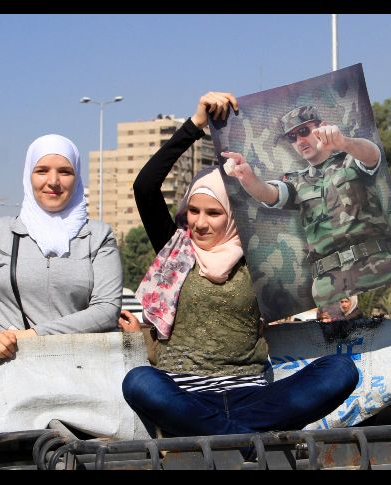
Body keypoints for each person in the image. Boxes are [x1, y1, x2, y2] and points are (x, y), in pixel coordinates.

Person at [118, 92, 359, 440]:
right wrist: (196, 124)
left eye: (213, 213)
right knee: (139, 382)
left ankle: (226, 438)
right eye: (193, 211)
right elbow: (144, 187)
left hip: (254, 399)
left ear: (232, 215)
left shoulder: (260, 257)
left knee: (341, 370)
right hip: (186, 399)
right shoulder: (175, 251)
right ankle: (246, 442)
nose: (199, 223)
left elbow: (308, 212)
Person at [0, 134, 123, 360]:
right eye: (42, 171)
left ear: (77, 177)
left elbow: (107, 310)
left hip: (84, 367)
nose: (53, 181)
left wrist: (34, 335)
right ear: (28, 175)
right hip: (12, 369)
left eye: (65, 172)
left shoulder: (98, 236)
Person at [222, 105, 391, 317]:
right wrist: (247, 177)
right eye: (292, 137)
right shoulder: (297, 181)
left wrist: (344, 142)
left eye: (303, 131)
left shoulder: (351, 159)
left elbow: (372, 154)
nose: (299, 141)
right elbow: (269, 193)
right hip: (328, 286)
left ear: (322, 126)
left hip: (377, 270)